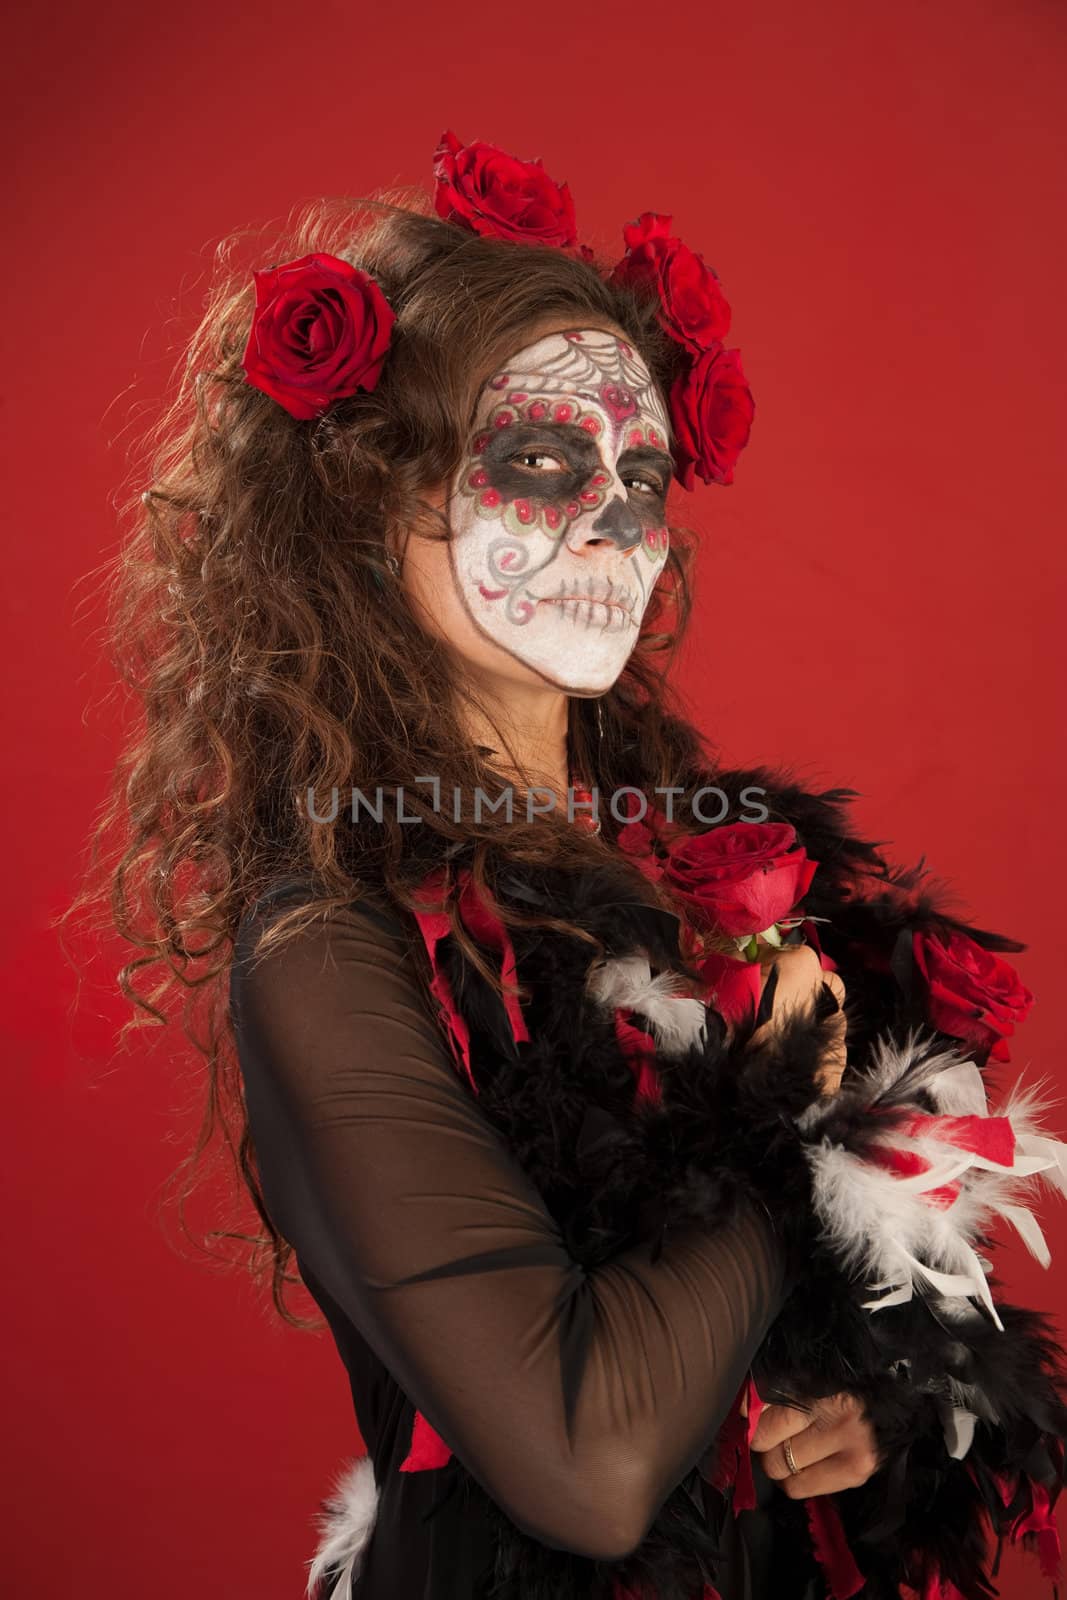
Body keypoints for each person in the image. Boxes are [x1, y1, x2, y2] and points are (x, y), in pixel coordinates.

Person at [80, 131, 1067, 1600]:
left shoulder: (703, 864)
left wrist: (863, 1404)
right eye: (542, 461)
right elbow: (588, 1468)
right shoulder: (333, 947)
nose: (616, 523)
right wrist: (786, 1115)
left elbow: (795, 1311)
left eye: (644, 471)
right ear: (366, 504)